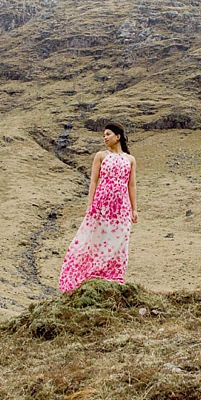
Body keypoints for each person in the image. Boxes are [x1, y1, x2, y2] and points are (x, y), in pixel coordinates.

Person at [58, 122, 138, 292]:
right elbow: (94, 181)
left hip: (121, 207)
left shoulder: (130, 159)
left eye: (108, 134)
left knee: (120, 239)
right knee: (95, 238)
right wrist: (90, 205)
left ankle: (114, 275)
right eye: (104, 135)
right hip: (102, 205)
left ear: (118, 136)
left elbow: (131, 185)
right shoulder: (101, 156)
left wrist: (134, 209)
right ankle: (90, 273)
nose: (105, 138)